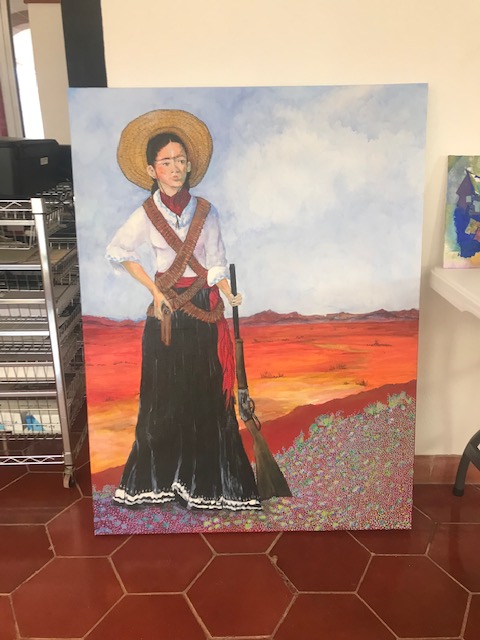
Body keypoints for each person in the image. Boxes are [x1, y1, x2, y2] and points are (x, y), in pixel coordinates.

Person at [106, 109, 261, 511]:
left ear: (190, 165)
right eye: (166, 162)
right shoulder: (146, 214)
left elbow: (216, 264)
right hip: (166, 318)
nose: (175, 168)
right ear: (151, 170)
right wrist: (153, 291)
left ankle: (209, 485)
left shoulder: (207, 212)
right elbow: (119, 252)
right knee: (162, 403)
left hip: (205, 315)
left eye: (180, 160)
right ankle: (159, 482)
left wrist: (228, 292)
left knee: (208, 401)